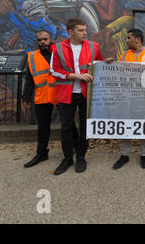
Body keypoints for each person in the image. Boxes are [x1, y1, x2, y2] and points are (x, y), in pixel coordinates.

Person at [50, 18, 112, 175]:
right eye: (81, 30)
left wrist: (106, 63)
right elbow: (54, 71)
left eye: (85, 30)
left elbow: (97, 65)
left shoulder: (93, 46)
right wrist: (76, 76)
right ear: (71, 32)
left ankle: (81, 157)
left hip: (86, 93)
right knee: (66, 127)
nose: (85, 32)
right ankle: (67, 158)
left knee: (85, 126)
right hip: (66, 93)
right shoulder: (57, 48)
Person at [111, 28, 145, 170]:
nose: (126, 40)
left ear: (137, 39)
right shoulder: (124, 54)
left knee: (144, 125)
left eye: (128, 38)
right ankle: (124, 155)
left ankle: (144, 155)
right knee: (126, 123)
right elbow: (119, 71)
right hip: (127, 96)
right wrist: (110, 64)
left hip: (144, 96)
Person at [22, 30, 58, 167]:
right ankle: (41, 153)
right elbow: (29, 79)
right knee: (43, 127)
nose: (42, 42)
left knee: (68, 124)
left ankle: (74, 148)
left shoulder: (59, 53)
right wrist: (26, 97)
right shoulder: (32, 56)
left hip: (59, 94)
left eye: (45, 39)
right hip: (42, 96)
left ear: (51, 39)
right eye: (39, 40)